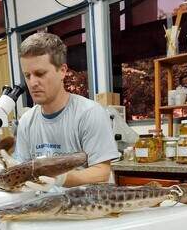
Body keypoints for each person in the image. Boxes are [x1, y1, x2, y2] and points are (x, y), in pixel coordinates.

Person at [12, 32, 120, 190]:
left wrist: (61, 178)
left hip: (83, 208)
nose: (33, 82)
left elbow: (102, 172)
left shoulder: (89, 113)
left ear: (62, 71)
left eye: (40, 74)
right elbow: (23, 171)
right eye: (27, 75)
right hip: (44, 208)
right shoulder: (26, 121)